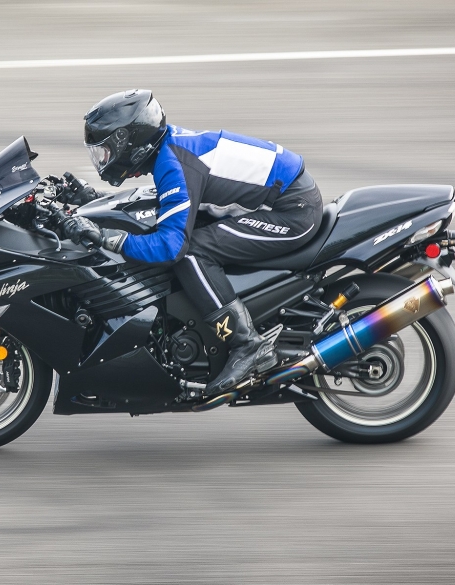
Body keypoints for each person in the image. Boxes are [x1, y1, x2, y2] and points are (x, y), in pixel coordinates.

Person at [61, 89, 323, 395]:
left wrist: (106, 238)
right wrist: (95, 201)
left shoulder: (175, 163)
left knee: (190, 253)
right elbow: (162, 203)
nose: (103, 160)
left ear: (130, 141)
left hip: (293, 213)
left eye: (105, 151)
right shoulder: (170, 149)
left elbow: (172, 247)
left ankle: (248, 345)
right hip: (288, 198)